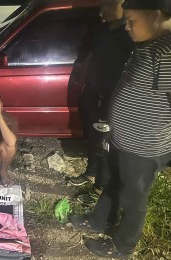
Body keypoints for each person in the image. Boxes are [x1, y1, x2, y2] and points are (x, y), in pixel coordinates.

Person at [70, 0, 171, 258]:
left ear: (156, 16)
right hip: (124, 140)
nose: (126, 26)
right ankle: (99, 221)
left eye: (132, 21)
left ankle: (122, 246)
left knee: (133, 199)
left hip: (144, 145)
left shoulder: (167, 52)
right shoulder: (149, 46)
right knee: (114, 182)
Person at [67, 0, 133, 204]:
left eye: (108, 5)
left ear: (123, 6)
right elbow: (89, 55)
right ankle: (92, 173)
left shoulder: (130, 34)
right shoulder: (100, 30)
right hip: (92, 92)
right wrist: (80, 81)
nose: (103, 9)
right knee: (92, 134)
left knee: (104, 141)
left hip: (111, 96)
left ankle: (100, 188)